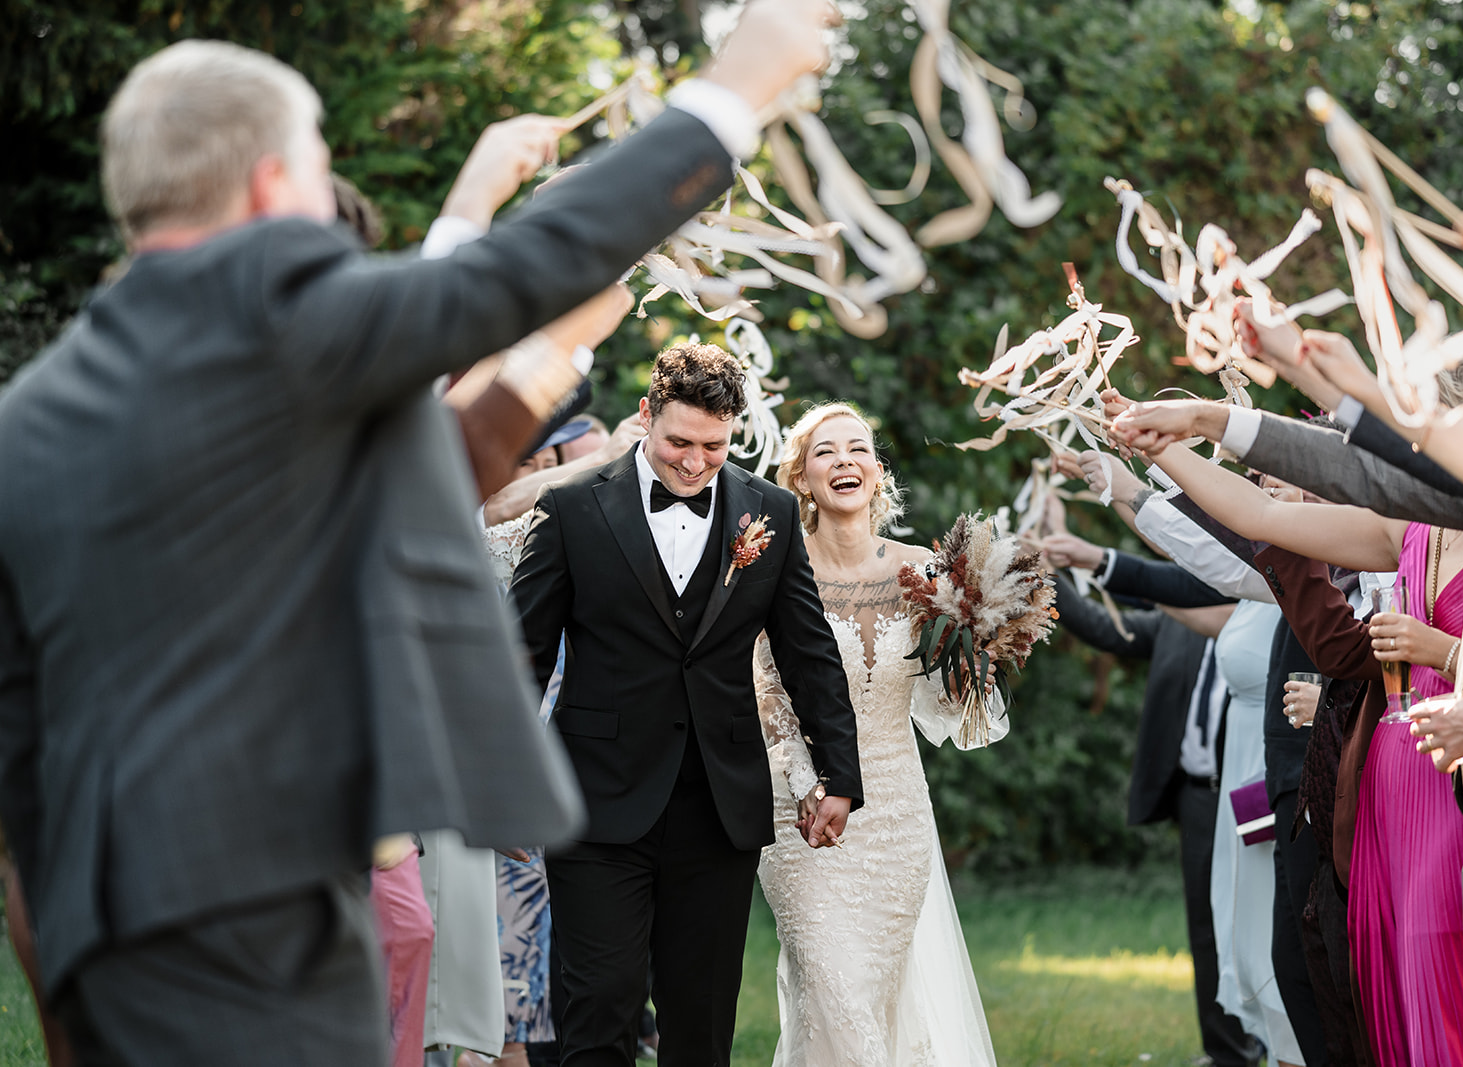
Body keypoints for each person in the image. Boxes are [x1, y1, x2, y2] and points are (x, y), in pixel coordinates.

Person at [0, 4, 846, 1061]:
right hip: (263, 928)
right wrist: (740, 82)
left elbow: (23, 763)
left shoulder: (33, 417)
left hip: (101, 937)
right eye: (319, 168)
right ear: (270, 184)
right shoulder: (272, 323)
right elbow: (524, 266)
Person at [1109, 306, 1463, 1067]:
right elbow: (1271, 506)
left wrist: (1455, 667)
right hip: (1387, 783)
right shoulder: (1424, 517)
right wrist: (1180, 439)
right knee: (1392, 996)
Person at [511, 344, 863, 1065]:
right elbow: (521, 658)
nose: (696, 463)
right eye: (679, 442)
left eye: (714, 446)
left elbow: (808, 653)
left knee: (700, 1022)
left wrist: (839, 773)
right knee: (599, 1004)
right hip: (595, 800)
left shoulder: (769, 511)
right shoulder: (570, 508)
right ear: (645, 414)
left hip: (718, 806)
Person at [752, 402, 999, 1065]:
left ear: (877, 471)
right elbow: (766, 693)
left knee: (874, 994)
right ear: (802, 478)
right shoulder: (779, 568)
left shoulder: (925, 572)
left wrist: (974, 655)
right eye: (825, 451)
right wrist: (807, 785)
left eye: (858, 448)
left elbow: (949, 704)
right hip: (799, 810)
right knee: (831, 984)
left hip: (896, 813)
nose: (845, 461)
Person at [1045, 554, 1256, 1066]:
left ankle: (1276, 1038)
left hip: (1253, 792)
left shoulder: (1262, 619)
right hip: (1199, 797)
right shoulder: (1175, 624)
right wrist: (1046, 576)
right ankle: (1227, 1053)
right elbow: (1103, 628)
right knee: (1206, 926)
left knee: (1259, 922)